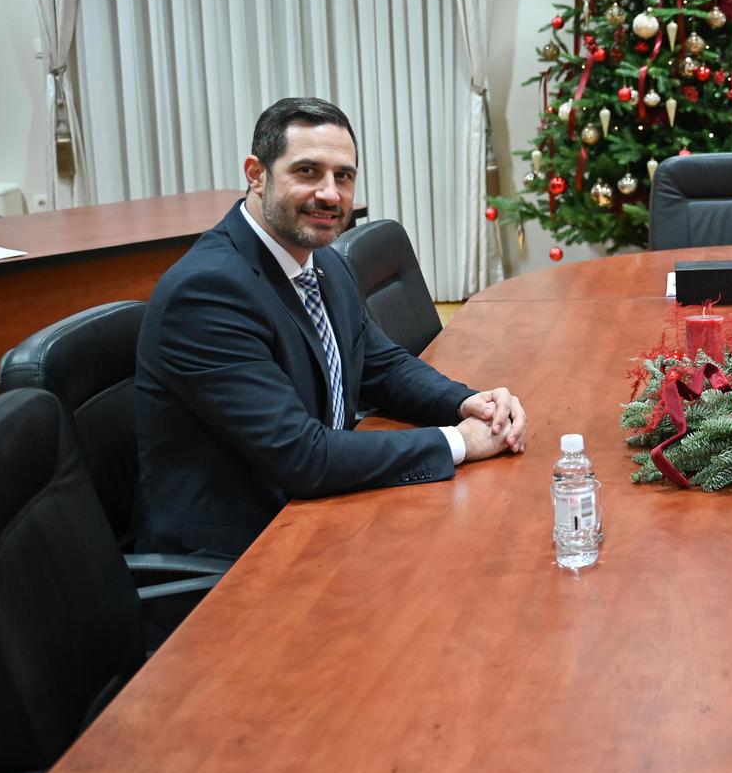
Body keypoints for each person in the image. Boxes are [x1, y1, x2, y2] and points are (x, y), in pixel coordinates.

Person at [137, 97, 527, 558]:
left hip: (317, 511)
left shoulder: (323, 264)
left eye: (343, 176)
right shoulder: (208, 292)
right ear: (256, 174)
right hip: (243, 551)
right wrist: (458, 441)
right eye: (307, 172)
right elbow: (301, 456)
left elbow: (383, 367)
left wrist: (469, 403)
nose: (329, 193)